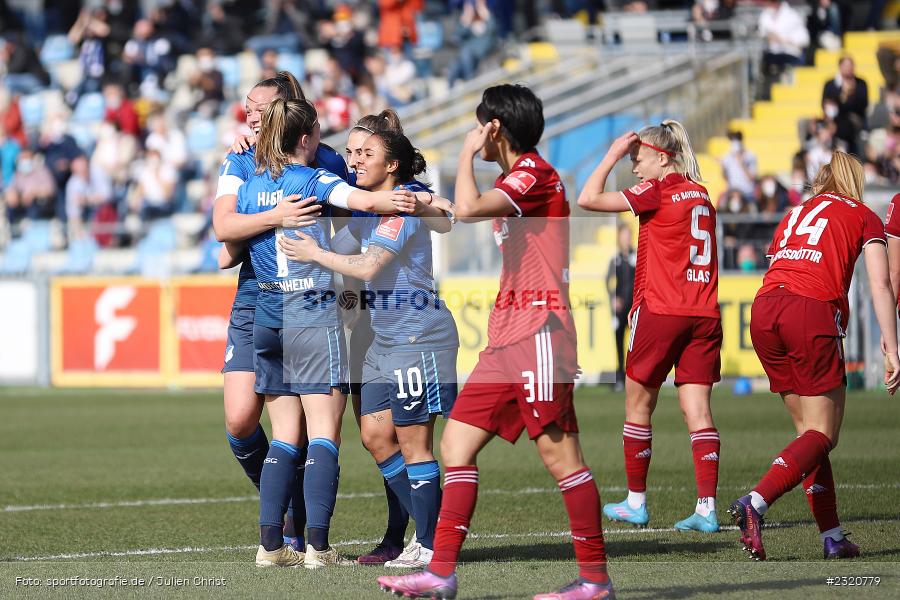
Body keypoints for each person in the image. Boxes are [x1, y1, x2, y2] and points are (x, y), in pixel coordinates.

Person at [378, 84, 614, 600]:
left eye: (479, 124)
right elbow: (461, 205)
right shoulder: (517, 179)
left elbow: (465, 207)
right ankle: (441, 575)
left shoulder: (533, 172)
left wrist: (463, 152)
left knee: (562, 459)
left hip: (540, 333)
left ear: (495, 128)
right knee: (455, 445)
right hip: (506, 338)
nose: (474, 132)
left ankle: (595, 581)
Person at [229, 97, 421, 569]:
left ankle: (270, 548)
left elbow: (223, 250)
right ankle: (317, 548)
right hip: (314, 312)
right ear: (305, 138)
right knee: (323, 436)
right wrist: (412, 198)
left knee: (283, 437)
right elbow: (361, 199)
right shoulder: (313, 180)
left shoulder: (251, 187)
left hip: (268, 315)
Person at [280, 129, 458, 570]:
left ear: (391, 164)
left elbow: (367, 264)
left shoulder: (402, 205)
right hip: (383, 338)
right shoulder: (367, 211)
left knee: (415, 443)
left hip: (417, 336)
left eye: (365, 153)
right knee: (376, 437)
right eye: (351, 153)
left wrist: (314, 254)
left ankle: (431, 544)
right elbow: (345, 263)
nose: (354, 161)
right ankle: (422, 533)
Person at [730, 151, 900, 561]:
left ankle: (833, 536)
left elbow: (782, 263)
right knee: (822, 435)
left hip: (766, 308)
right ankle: (756, 501)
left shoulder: (795, 212)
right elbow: (881, 283)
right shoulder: (863, 214)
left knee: (809, 435)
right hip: (810, 312)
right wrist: (892, 347)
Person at [212, 72, 344, 562]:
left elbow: (360, 200)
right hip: (256, 297)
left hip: (315, 297)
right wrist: (277, 216)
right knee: (241, 418)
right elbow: (224, 232)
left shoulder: (323, 158)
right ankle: (290, 513)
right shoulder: (239, 159)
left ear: (286, 112)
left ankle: (299, 528)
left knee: (312, 424)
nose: (248, 115)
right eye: (246, 106)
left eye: (258, 107)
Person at [577, 120, 723, 534]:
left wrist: (608, 154)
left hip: (662, 310)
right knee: (698, 411)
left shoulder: (660, 191)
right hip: (705, 312)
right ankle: (707, 508)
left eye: (637, 160)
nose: (634, 168)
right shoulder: (702, 194)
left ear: (662, 156)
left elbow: (587, 198)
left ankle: (636, 502)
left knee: (638, 406)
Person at [606, 224, 635, 391]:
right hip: (620, 310)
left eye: (629, 236)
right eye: (624, 236)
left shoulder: (636, 256)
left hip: (634, 308)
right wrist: (613, 298)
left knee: (636, 344)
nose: (627, 239)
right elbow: (607, 281)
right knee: (618, 342)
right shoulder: (615, 259)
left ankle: (635, 377)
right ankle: (620, 377)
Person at [822, 56, 869, 156]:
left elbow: (862, 106)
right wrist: (842, 96)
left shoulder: (860, 84)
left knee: (843, 126)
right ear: (840, 66)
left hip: (852, 120)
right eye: (845, 65)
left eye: (850, 65)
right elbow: (825, 103)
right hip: (832, 119)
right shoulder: (830, 84)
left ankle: (840, 153)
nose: (848, 68)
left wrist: (849, 96)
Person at [720, 131, 757, 202]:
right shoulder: (727, 157)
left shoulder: (750, 156)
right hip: (733, 193)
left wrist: (742, 164)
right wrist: (723, 167)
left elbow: (752, 178)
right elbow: (725, 178)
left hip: (747, 193)